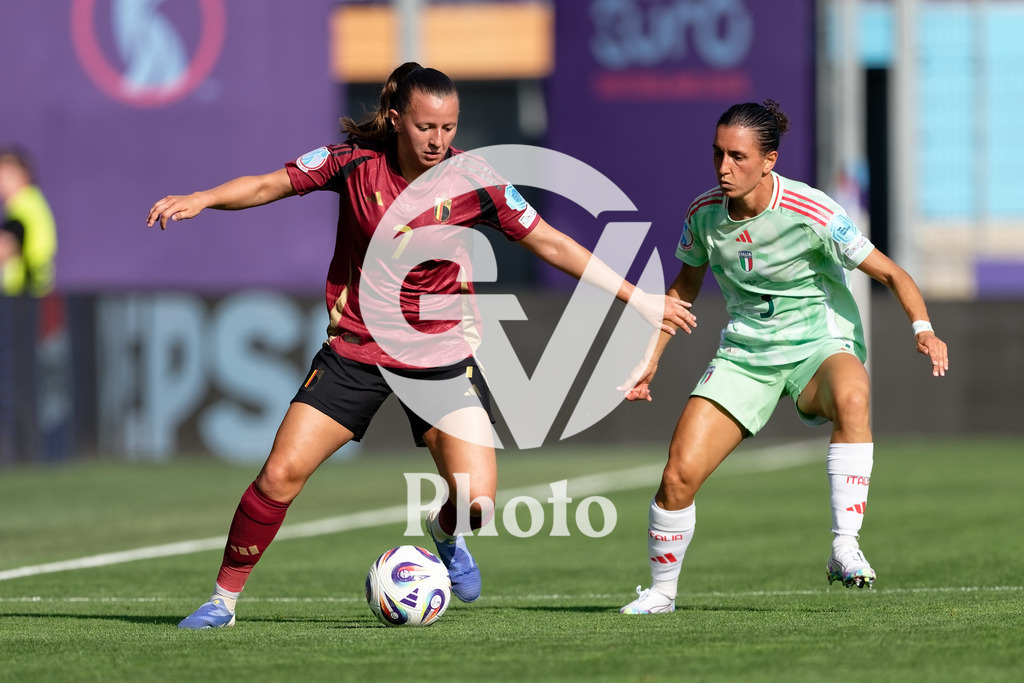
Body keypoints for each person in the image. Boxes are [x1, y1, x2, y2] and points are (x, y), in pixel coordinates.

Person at [146, 62, 696, 629]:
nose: (438, 140)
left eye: (449, 127)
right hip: (356, 351)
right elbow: (269, 184)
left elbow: (550, 243)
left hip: (439, 356)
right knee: (279, 476)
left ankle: (445, 531)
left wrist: (638, 297)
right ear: (395, 119)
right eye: (425, 127)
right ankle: (223, 601)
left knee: (477, 503)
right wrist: (204, 197)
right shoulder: (353, 162)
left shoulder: (475, 179)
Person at [618, 100, 949, 615]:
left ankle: (845, 545)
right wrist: (652, 357)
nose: (724, 167)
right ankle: (661, 593)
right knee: (677, 477)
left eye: (738, 156)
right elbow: (682, 290)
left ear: (769, 160)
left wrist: (923, 329)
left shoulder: (811, 210)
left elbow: (891, 273)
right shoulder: (703, 214)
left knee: (853, 396)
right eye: (718, 153)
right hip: (745, 355)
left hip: (819, 347)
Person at [0, 147, 57, 297]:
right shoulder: (35, 204)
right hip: (35, 294)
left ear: (24, 175)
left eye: (6, 176)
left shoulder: (24, 207)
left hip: (25, 296)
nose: (2, 183)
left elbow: (5, 247)